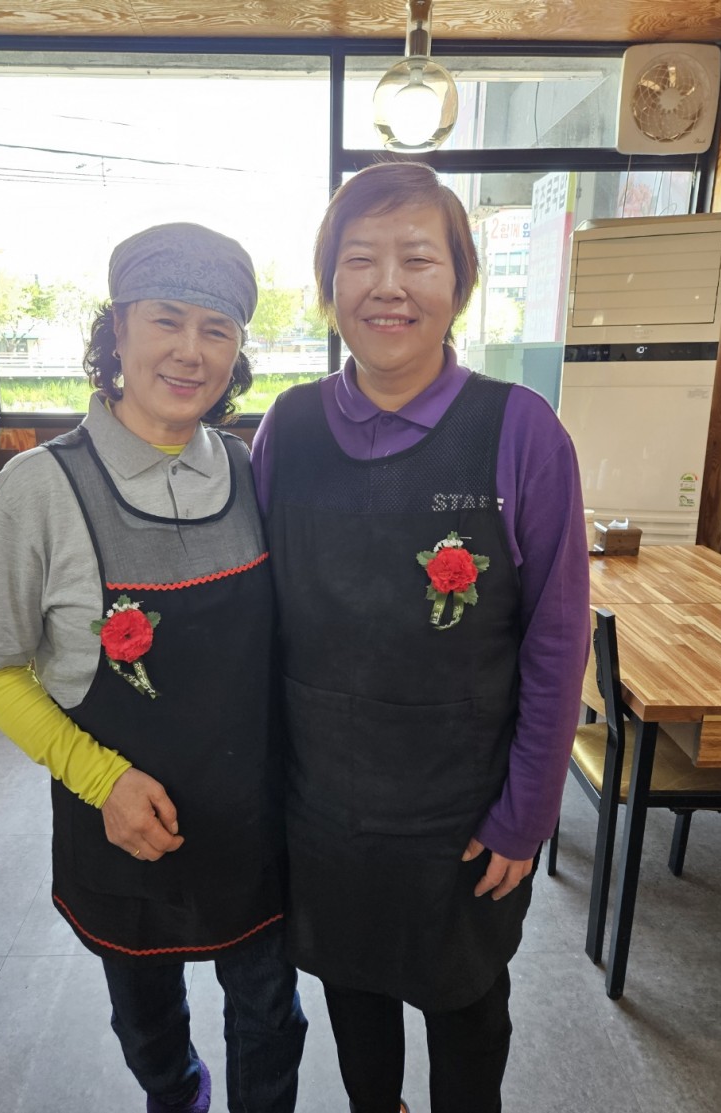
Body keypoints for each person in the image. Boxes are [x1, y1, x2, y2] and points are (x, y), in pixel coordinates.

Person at [251, 162, 590, 1113]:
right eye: (359, 260)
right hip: (324, 803)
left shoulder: (520, 431)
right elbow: (257, 621)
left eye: (417, 258)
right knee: (351, 994)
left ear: (459, 282)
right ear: (329, 287)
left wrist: (526, 813)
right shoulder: (288, 426)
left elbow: (556, 640)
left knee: (468, 1010)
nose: (387, 285)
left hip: (465, 810)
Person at [0, 222, 307, 1113]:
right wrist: (100, 778)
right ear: (116, 330)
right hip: (120, 826)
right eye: (166, 320)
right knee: (147, 1021)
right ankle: (177, 1094)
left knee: (271, 1013)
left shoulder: (250, 472)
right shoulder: (37, 489)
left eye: (217, 329)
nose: (191, 351)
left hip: (254, 821)